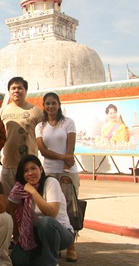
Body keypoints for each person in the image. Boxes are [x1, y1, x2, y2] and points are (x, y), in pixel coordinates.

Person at [7, 155, 74, 266]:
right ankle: (43, 257)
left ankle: (51, 263)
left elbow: (52, 213)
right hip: (36, 235)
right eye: (25, 171)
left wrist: (33, 192)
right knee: (18, 259)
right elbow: (9, 210)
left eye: (33, 168)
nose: (30, 173)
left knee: (46, 222)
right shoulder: (21, 189)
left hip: (61, 233)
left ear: (41, 169)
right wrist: (17, 235)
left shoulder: (51, 182)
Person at [36, 92, 80, 262]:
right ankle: (54, 243)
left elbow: (71, 149)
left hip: (67, 171)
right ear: (44, 105)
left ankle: (71, 245)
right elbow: (43, 151)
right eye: (47, 103)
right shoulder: (40, 126)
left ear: (59, 104)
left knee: (70, 206)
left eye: (54, 103)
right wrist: (63, 158)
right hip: (48, 171)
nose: (51, 106)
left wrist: (67, 169)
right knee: (51, 208)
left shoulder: (68, 123)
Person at [0, 77, 43, 196]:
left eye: (20, 88)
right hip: (9, 163)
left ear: (25, 90)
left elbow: (43, 135)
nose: (16, 91)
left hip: (29, 166)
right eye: (13, 88)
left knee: (30, 200)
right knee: (8, 200)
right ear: (9, 92)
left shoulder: (36, 111)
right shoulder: (2, 111)